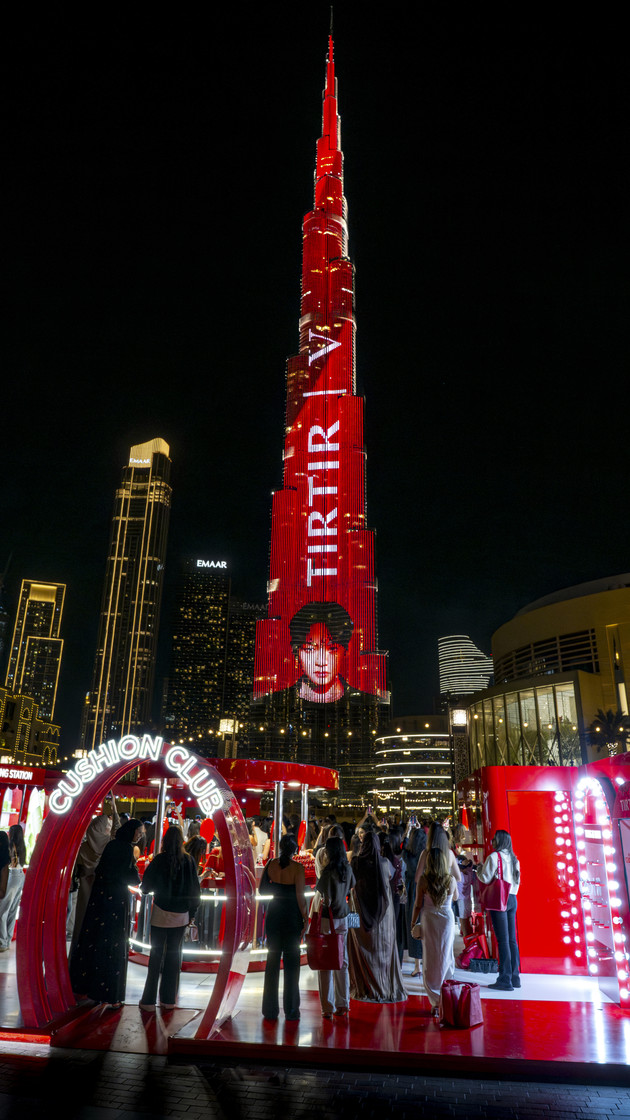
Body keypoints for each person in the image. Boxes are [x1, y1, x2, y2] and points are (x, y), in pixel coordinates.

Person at [69, 819, 144, 1007]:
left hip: (99, 900)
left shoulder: (110, 846)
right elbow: (131, 877)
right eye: (138, 832)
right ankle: (111, 995)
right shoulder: (126, 850)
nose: (140, 835)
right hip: (116, 902)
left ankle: (89, 987)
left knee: (95, 940)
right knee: (113, 947)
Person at [139, 826, 201, 1011]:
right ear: (182, 840)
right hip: (181, 915)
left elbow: (146, 887)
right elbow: (194, 891)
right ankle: (168, 1000)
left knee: (156, 956)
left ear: (165, 841)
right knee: (174, 956)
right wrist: (192, 914)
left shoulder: (159, 860)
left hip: (160, 911)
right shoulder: (189, 861)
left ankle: (149, 1001)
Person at [347, 831, 406, 1003]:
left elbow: (351, 883)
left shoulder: (356, 862)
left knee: (359, 947)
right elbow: (390, 879)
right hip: (383, 914)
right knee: (384, 947)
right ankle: (384, 984)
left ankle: (363, 985)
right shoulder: (385, 863)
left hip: (358, 911)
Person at [260, 834, 308, 1021]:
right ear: (295, 850)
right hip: (292, 917)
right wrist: (305, 918)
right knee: (292, 964)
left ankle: (270, 1010)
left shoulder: (271, 864)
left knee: (272, 962)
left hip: (273, 915)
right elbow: (300, 897)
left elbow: (263, 890)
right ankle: (291, 1010)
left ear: (280, 847)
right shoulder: (298, 868)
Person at [69, 797, 121, 953]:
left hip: (83, 893)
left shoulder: (83, 847)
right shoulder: (109, 846)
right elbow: (118, 831)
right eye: (107, 826)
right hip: (102, 892)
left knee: (82, 921)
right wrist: (114, 809)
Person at [411, 846, 457, 1018]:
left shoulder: (424, 880)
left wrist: (412, 923)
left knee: (430, 958)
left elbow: (417, 904)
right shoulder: (450, 879)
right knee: (446, 955)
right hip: (446, 919)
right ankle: (446, 997)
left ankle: (435, 1002)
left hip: (429, 919)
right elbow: (455, 897)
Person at [315, 836, 356, 1018]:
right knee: (342, 960)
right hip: (344, 917)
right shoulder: (347, 870)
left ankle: (327, 1007)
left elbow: (322, 894)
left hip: (327, 918)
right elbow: (351, 889)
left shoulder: (326, 872)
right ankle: (343, 1003)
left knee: (325, 962)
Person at [477, 829, 521, 991]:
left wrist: (479, 870)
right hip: (512, 898)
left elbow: (485, 878)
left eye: (494, 839)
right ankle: (515, 976)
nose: (492, 842)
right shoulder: (514, 859)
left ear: (498, 841)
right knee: (511, 940)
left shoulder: (494, 857)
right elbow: (517, 881)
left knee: (502, 940)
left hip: (499, 900)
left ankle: (504, 979)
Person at [402, 824, 426, 976]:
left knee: (414, 925)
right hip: (426, 889)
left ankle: (417, 966)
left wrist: (408, 830)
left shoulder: (408, 855)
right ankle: (426, 963)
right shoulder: (426, 854)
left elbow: (403, 845)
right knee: (426, 925)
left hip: (412, 891)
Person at [0, 825, 27, 952]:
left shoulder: (10, 845)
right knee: (12, 910)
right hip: (20, 875)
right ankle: (8, 939)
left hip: (11, 875)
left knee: (2, 910)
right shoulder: (22, 845)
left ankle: (2, 942)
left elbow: (9, 863)